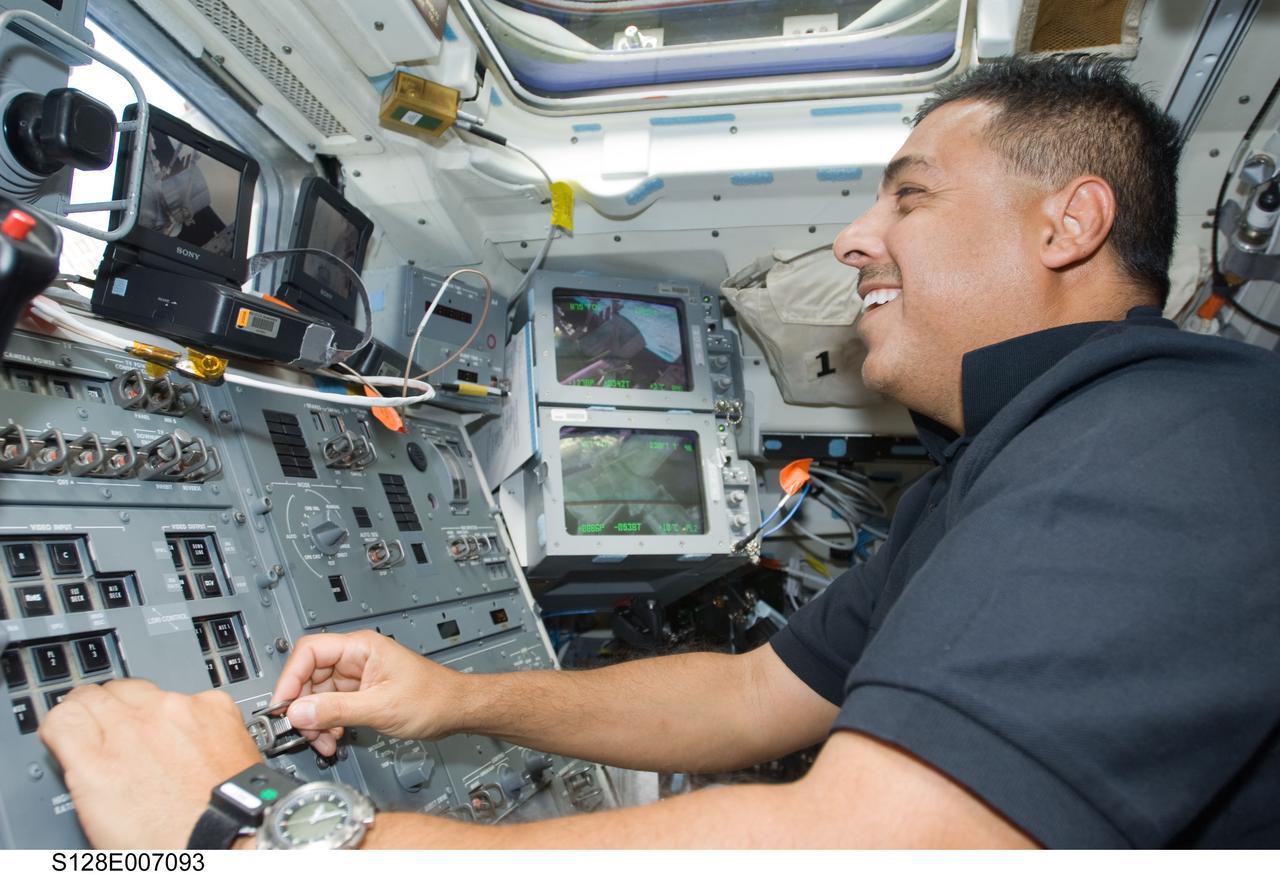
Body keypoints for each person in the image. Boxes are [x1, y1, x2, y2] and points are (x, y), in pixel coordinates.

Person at [39, 53, 1280, 849]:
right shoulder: (1008, 469)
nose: (852, 237)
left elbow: (858, 845)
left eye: (907, 196)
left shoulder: (1156, 437)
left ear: (1069, 221)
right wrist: (457, 695)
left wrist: (246, 829)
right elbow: (749, 694)